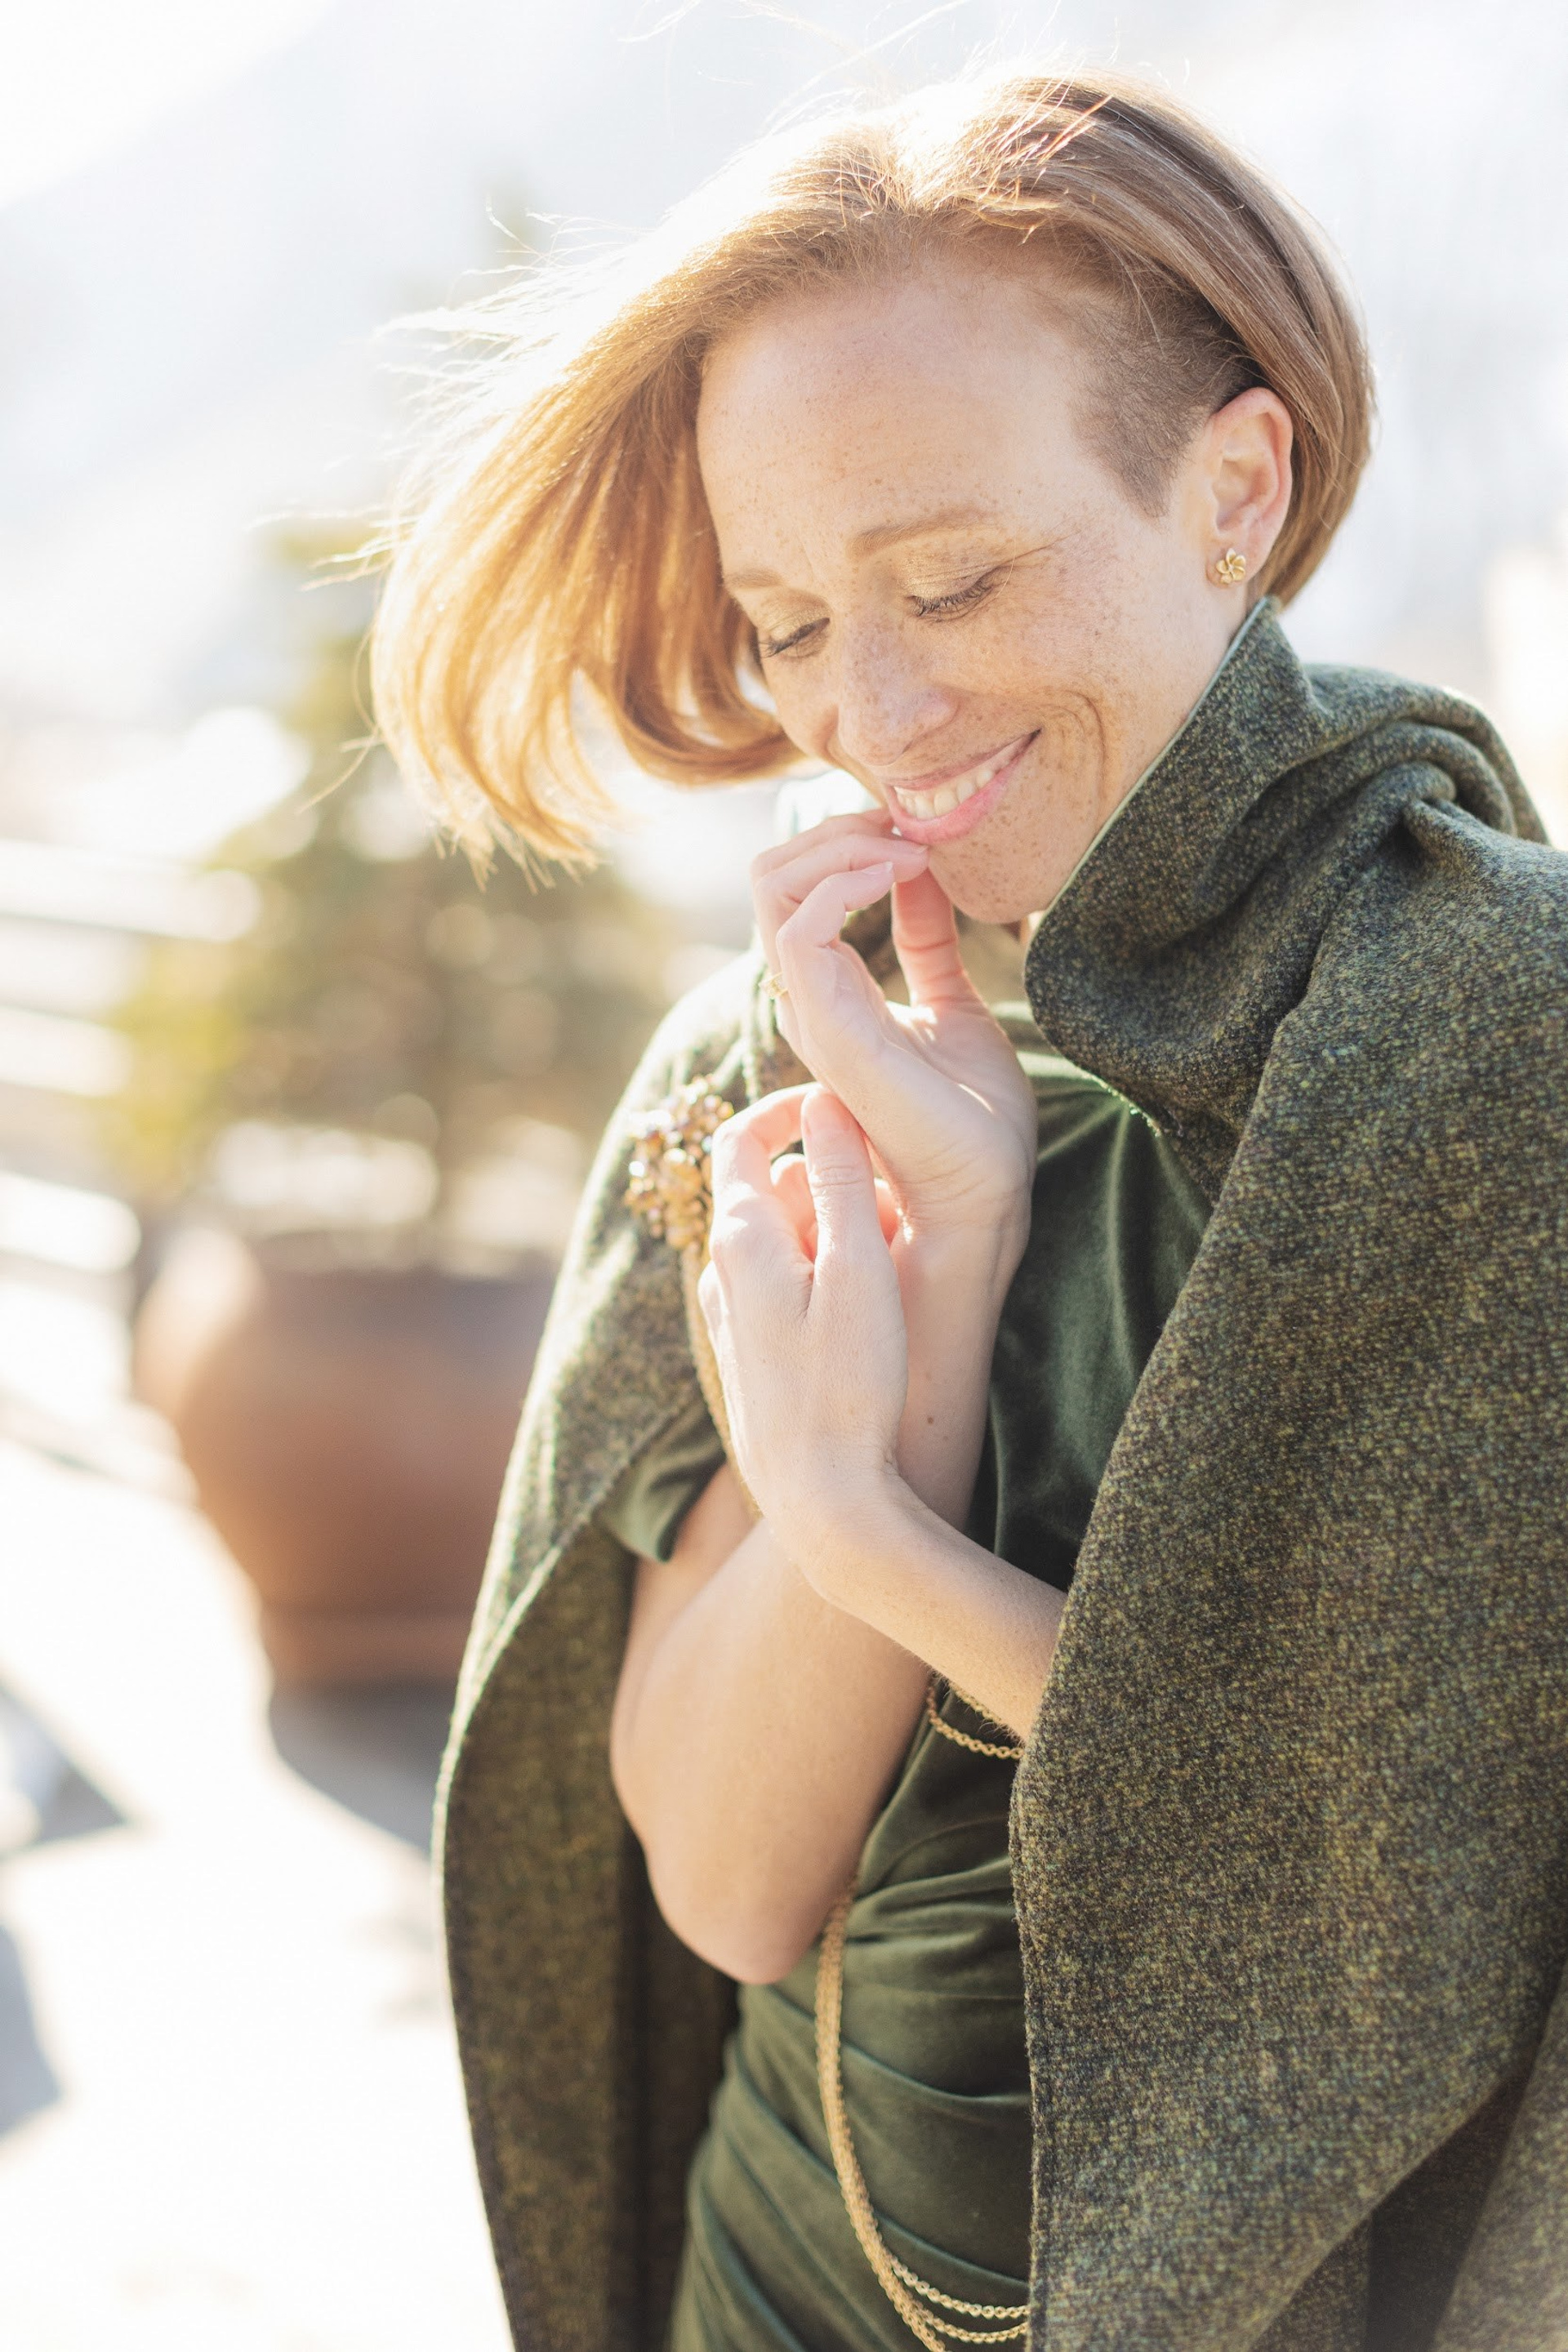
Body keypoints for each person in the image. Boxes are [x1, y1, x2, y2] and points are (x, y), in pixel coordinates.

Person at [372, 69, 1568, 2352]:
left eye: (954, 579)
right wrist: (940, 1270)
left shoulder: (1506, 1048)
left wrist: (866, 1535)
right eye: (790, 623)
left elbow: (1421, 1918)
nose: (880, 711)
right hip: (767, 2284)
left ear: (1235, 487)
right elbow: (731, 1890)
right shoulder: (772, 1054)